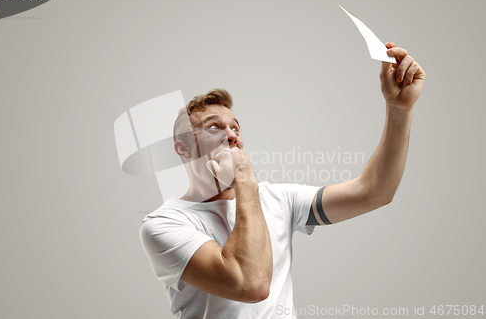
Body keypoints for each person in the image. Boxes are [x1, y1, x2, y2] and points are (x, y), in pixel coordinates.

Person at [140, 42, 426, 318]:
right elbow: (250, 284)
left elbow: (374, 192)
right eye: (214, 126)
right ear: (184, 149)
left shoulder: (278, 199)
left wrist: (399, 109)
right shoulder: (164, 224)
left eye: (235, 127)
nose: (231, 135)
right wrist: (244, 179)